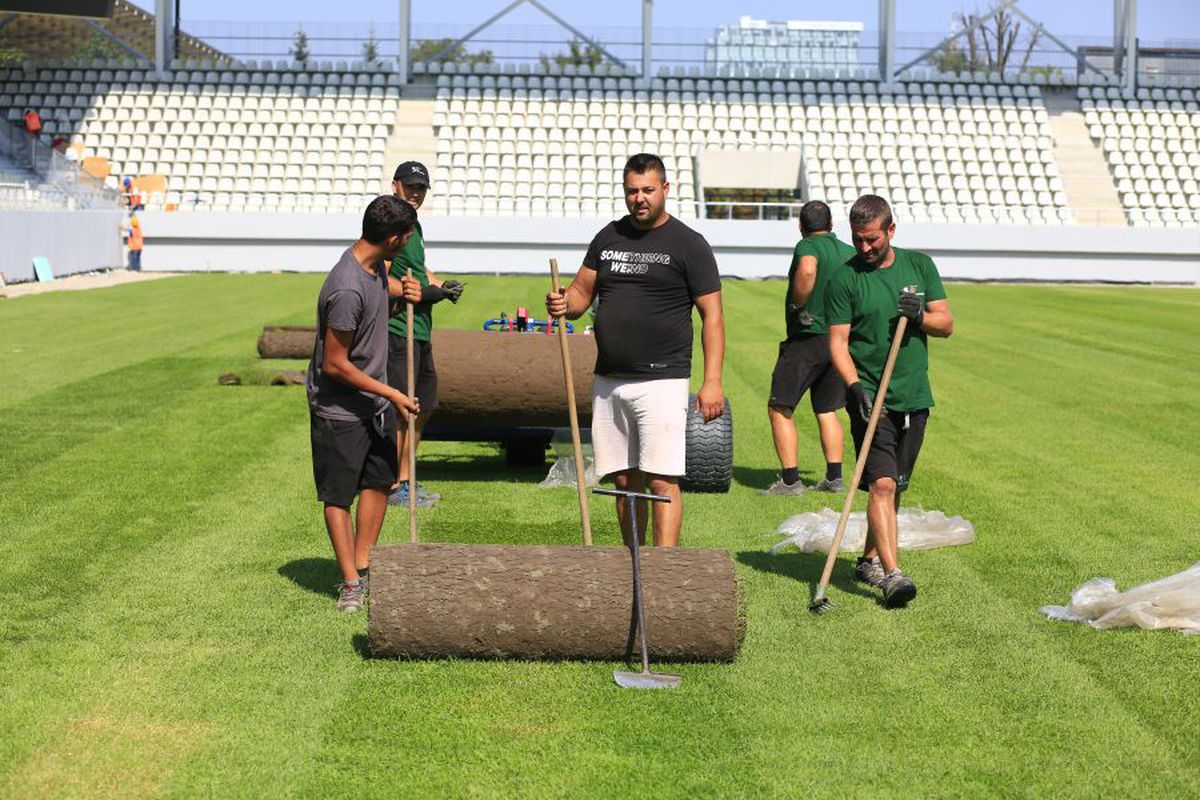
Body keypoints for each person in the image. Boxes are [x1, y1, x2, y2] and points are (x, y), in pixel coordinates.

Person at [546, 153, 725, 547]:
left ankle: (664, 570)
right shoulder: (609, 237)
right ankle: (634, 562)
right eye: (632, 191)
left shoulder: (689, 244)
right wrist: (565, 303)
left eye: (647, 190)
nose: (639, 199)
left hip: (662, 380)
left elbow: (712, 315)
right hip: (609, 379)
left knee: (662, 478)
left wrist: (712, 382)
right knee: (624, 480)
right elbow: (581, 292)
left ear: (665, 189)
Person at [826, 194, 954, 609]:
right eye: (858, 240)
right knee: (880, 483)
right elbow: (838, 342)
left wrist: (918, 317)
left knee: (893, 486)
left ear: (890, 230)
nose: (864, 248)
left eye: (872, 240)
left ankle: (867, 559)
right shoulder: (845, 279)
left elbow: (946, 324)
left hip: (912, 395)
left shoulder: (919, 266)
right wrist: (853, 387)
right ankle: (892, 576)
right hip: (869, 396)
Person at [307, 195, 420, 613]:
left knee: (378, 481)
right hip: (340, 410)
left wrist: (408, 293)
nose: (409, 242)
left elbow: (381, 300)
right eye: (406, 237)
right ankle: (350, 584)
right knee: (339, 496)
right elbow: (334, 364)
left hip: (372, 404)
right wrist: (390, 393)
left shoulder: (374, 268)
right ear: (392, 239)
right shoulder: (345, 288)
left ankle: (363, 561)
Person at [385, 160, 464, 509]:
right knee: (403, 410)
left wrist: (440, 285)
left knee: (423, 406)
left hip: (421, 330)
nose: (416, 193)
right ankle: (393, 485)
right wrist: (408, 293)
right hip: (398, 329)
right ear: (395, 186)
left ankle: (406, 480)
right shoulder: (388, 223)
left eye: (421, 188)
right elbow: (379, 276)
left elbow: (419, 270)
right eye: (410, 186)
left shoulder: (413, 225)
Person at [761, 200, 854, 496]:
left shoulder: (807, 247)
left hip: (807, 337)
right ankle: (834, 478)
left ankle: (790, 481)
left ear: (801, 226)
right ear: (832, 225)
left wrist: (798, 303)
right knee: (827, 409)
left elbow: (808, 271)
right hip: (838, 341)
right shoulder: (849, 253)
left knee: (780, 407)